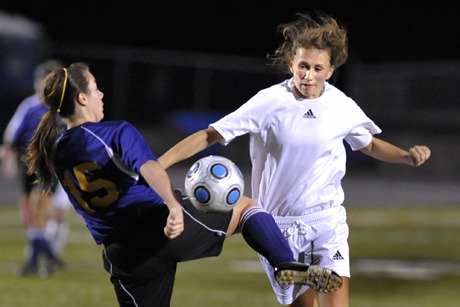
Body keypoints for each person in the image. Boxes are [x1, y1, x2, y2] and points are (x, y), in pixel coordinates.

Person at [158, 12, 432, 307]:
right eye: (302, 66)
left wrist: (406, 157)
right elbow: (209, 135)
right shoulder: (270, 102)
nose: (308, 75)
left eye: (317, 68)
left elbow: (369, 144)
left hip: (327, 222)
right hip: (276, 230)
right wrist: (156, 166)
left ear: (330, 70)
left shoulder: (341, 106)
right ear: (291, 64)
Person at [25, 62, 342, 307]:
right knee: (245, 206)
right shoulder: (113, 132)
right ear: (82, 98)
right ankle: (285, 262)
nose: (101, 94)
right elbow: (150, 168)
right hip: (160, 229)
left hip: (124, 257)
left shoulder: (54, 150)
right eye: (96, 89)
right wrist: (174, 206)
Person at [1, 59, 71, 277]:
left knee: (43, 212)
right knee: (31, 217)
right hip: (28, 167)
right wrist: (10, 159)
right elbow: (12, 136)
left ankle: (36, 261)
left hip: (50, 167)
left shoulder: (63, 108)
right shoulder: (30, 106)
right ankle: (48, 256)